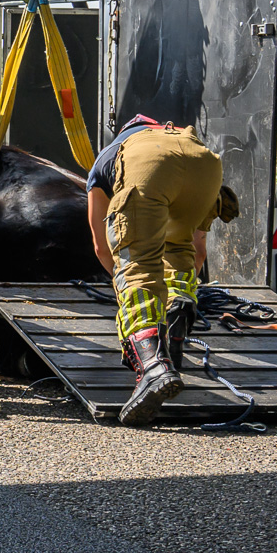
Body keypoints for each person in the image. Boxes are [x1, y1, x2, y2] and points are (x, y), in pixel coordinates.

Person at [85, 115, 229, 427]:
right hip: (206, 165)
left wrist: (128, 284)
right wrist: (171, 298)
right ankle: (173, 341)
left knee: (138, 266)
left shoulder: (110, 156)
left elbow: (101, 246)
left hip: (148, 168)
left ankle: (152, 367)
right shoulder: (179, 136)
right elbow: (198, 252)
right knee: (178, 251)